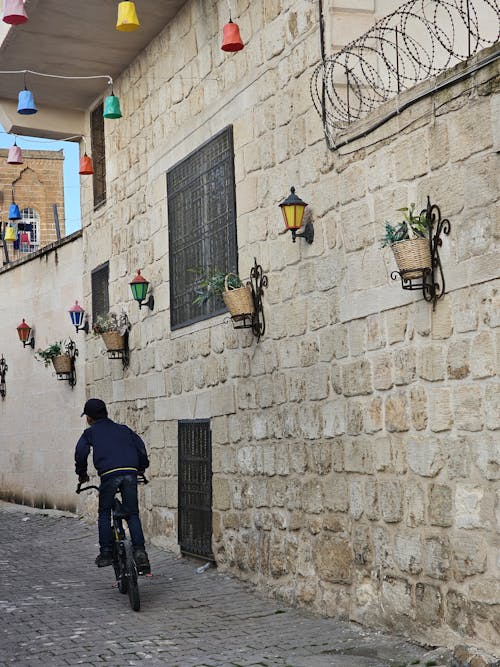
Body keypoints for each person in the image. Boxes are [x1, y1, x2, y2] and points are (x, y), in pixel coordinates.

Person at [75, 398, 151, 573]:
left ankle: (106, 552)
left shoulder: (90, 433)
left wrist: (82, 474)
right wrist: (141, 467)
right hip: (131, 473)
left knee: (104, 512)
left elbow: (80, 453)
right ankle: (140, 553)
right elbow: (140, 447)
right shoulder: (123, 429)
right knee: (132, 513)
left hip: (109, 475)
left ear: (89, 418)